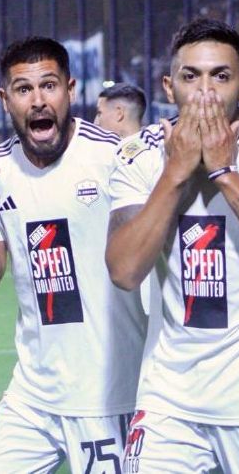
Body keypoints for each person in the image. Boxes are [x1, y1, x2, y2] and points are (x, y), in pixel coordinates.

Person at [106, 18, 239, 473]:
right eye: (191, 76)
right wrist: (175, 173)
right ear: (169, 87)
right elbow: (124, 270)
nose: (205, 92)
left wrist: (225, 172)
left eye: (221, 76)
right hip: (169, 400)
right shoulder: (140, 154)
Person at [0, 36, 147, 473]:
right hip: (33, 396)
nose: (39, 101)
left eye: (49, 86)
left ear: (71, 90)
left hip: (111, 393)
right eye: (24, 90)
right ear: (6, 100)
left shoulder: (112, 158)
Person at [94, 82, 159, 318]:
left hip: (140, 273)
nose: (96, 122)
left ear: (119, 113)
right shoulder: (159, 149)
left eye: (100, 113)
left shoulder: (120, 157)